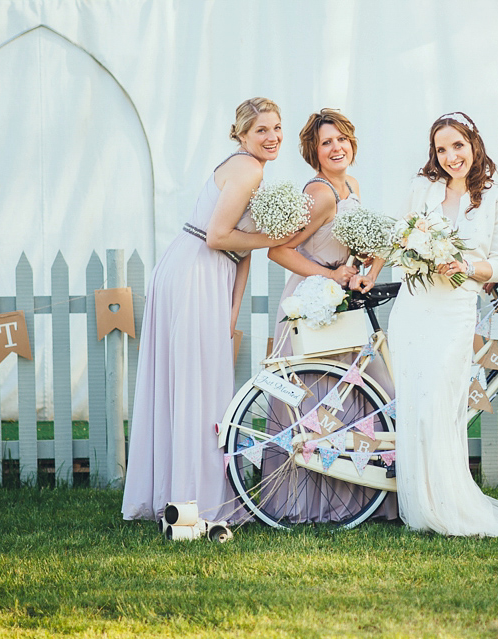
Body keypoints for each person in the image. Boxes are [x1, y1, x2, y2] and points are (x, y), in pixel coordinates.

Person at [355, 112, 498, 539]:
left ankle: (448, 505)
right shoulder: (422, 188)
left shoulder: (497, 198)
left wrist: (465, 265)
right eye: (442, 149)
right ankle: (419, 505)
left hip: (454, 311)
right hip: (414, 307)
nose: (451, 156)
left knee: (442, 404)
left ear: (474, 145)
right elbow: (396, 235)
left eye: (458, 146)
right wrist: (372, 274)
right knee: (414, 402)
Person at [122, 97, 295, 522]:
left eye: (276, 128)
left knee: (198, 378)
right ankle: (193, 496)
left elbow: (242, 252)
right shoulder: (248, 168)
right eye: (261, 131)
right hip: (197, 269)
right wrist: (277, 238)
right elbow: (219, 237)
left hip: (204, 272)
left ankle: (183, 490)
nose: (271, 137)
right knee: (196, 383)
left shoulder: (253, 168)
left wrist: (231, 310)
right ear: (240, 135)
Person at [265, 108, 396, 521]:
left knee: (363, 395)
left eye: (341, 139)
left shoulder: (351, 186)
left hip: (339, 304)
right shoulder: (320, 194)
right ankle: (307, 504)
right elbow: (279, 250)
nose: (336, 147)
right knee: (315, 404)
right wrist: (331, 274)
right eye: (326, 142)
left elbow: (350, 245)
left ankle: (358, 499)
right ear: (314, 152)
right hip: (310, 307)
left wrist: (362, 270)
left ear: (351, 143)